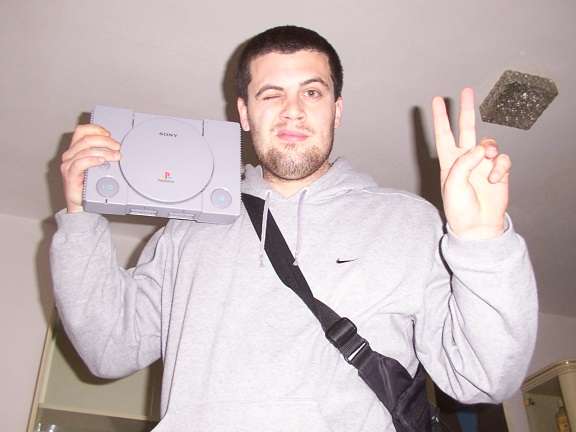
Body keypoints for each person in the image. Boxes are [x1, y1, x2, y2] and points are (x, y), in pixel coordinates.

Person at [51, 25, 538, 431]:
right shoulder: (186, 231)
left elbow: (483, 378)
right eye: (271, 94)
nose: (293, 110)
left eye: (312, 92)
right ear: (244, 113)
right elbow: (109, 350)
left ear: (337, 109)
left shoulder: (409, 222)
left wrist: (482, 241)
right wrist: (79, 217)